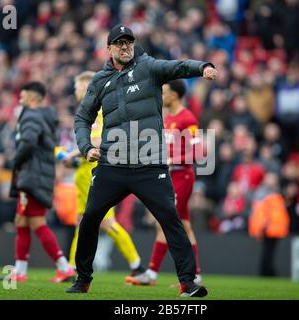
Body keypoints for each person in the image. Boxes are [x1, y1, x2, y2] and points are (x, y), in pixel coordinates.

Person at [67, 25, 217, 297]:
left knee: (172, 220)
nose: (125, 47)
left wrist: (203, 66)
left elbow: (179, 66)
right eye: (119, 43)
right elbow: (82, 119)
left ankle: (188, 283)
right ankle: (83, 279)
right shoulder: (99, 80)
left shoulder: (149, 67)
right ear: (109, 48)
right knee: (89, 220)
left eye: (129, 42)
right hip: (112, 164)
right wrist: (86, 146)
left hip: (149, 165)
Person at [62, 71, 145, 278]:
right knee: (81, 221)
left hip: (96, 172)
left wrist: (74, 152)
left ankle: (137, 265)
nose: (75, 91)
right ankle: (71, 268)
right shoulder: (87, 111)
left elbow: (99, 142)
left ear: (86, 87)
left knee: (107, 223)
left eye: (77, 87)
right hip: (83, 171)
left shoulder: (98, 110)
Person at [125, 79, 204, 286]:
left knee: (164, 224)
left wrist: (172, 160)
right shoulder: (168, 118)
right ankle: (196, 276)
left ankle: (151, 274)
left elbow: (199, 151)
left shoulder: (187, 118)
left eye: (164, 92)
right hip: (170, 177)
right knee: (185, 226)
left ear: (174, 95)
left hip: (182, 177)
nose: (161, 96)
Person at [3, 82, 75, 283]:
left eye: (23, 95)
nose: (20, 99)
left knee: (36, 222)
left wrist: (15, 160)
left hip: (31, 176)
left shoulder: (32, 116)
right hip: (37, 175)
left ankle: (63, 266)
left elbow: (28, 142)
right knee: (22, 220)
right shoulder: (45, 117)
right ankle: (20, 270)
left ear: (32, 97)